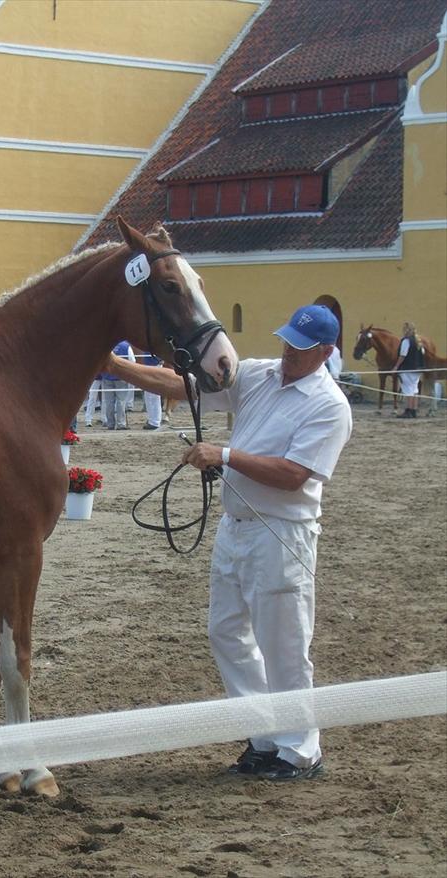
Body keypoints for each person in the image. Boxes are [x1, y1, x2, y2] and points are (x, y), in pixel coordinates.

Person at [107, 304, 351, 781]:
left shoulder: (329, 405)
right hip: (236, 524)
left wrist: (226, 454)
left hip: (281, 530)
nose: (286, 354)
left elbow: (294, 476)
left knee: (284, 644)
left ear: (324, 353)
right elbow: (186, 388)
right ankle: (263, 735)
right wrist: (115, 366)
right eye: (285, 342)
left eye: (299, 349)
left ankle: (301, 749)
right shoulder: (259, 374)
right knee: (226, 631)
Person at [100, 340, 135, 430]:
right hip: (121, 377)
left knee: (109, 402)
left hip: (107, 377)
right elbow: (132, 361)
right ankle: (121, 423)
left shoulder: (106, 344)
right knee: (121, 401)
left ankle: (110, 423)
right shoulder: (126, 346)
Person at [394, 321, 423, 418]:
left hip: (407, 368)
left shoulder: (406, 341)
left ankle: (409, 410)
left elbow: (403, 355)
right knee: (414, 389)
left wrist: (396, 367)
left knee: (408, 389)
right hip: (417, 369)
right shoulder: (418, 341)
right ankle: (414, 410)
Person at [135, 350, 162, 430]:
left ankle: (154, 421)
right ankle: (153, 420)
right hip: (151, 366)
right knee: (150, 397)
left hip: (153, 366)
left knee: (152, 396)